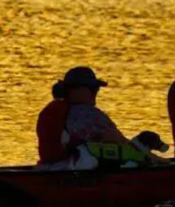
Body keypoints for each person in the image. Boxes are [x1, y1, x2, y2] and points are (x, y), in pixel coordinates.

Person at [36, 66, 165, 169]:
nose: (96, 92)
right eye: (92, 88)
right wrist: (157, 160)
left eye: (96, 88)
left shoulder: (54, 111)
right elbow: (123, 143)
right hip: (74, 170)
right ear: (75, 90)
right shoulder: (89, 114)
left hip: (47, 168)